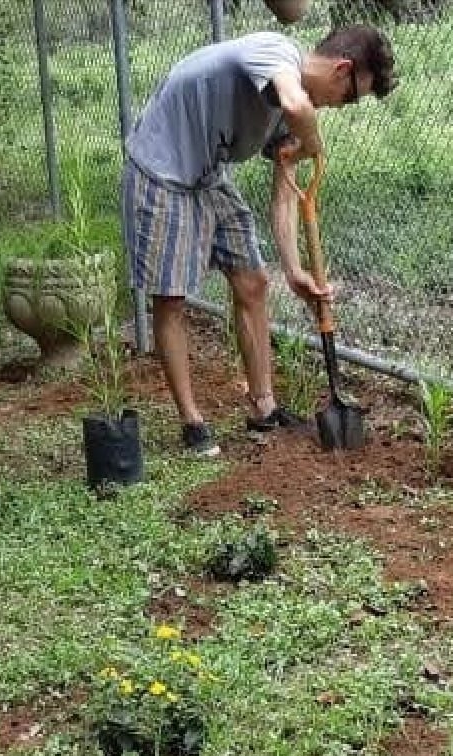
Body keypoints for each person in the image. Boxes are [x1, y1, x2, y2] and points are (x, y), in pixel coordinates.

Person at [122, 25, 397, 456]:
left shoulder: (295, 112)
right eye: (350, 97)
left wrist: (293, 270)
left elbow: (285, 197)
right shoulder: (276, 53)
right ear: (342, 70)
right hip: (163, 171)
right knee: (171, 298)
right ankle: (192, 424)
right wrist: (313, 144)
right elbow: (295, 103)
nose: (342, 106)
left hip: (208, 175)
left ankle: (263, 408)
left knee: (254, 282)